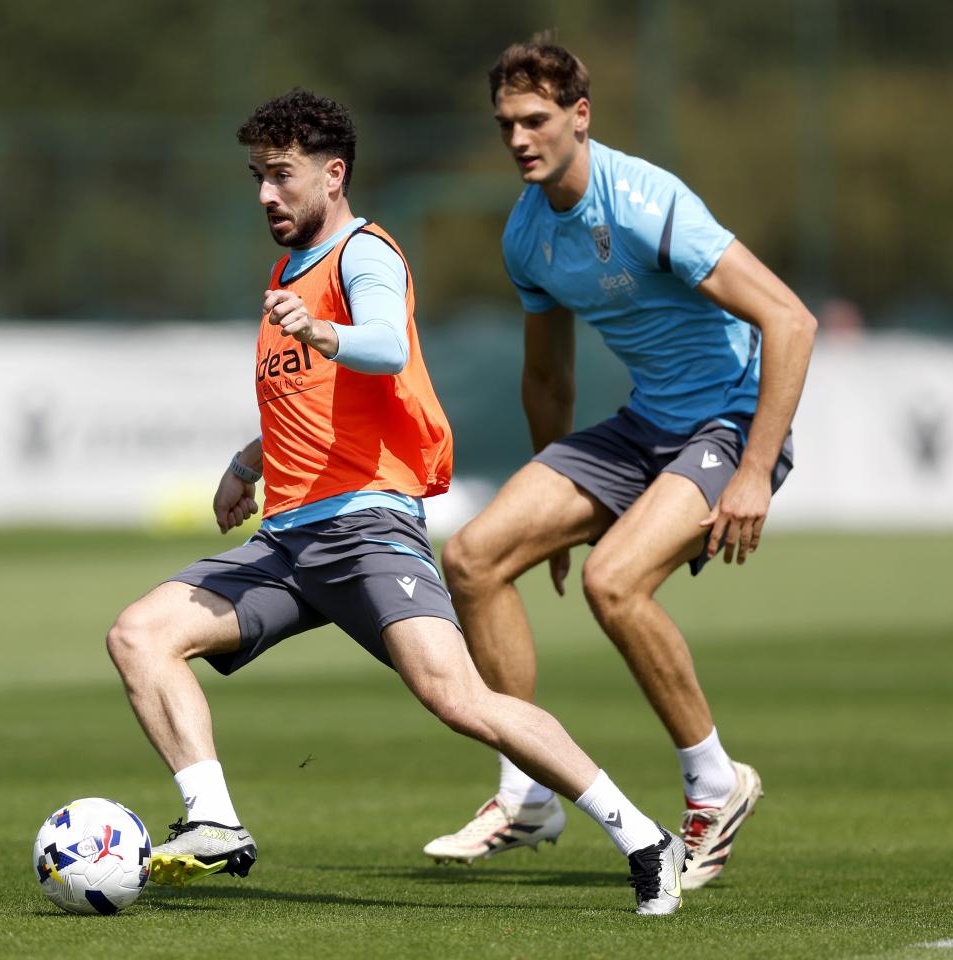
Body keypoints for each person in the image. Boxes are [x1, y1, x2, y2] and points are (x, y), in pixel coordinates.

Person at [106, 88, 692, 915]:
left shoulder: (363, 255)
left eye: (281, 175)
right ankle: (214, 822)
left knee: (461, 700)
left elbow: (381, 346)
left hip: (364, 527)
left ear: (332, 173)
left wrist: (322, 332)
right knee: (140, 634)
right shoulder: (287, 271)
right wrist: (248, 461)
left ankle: (643, 837)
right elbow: (312, 403)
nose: (266, 194)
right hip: (288, 543)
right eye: (256, 177)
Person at [421, 38, 816, 890]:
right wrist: (550, 507)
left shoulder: (643, 202)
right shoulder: (527, 234)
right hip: (644, 425)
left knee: (614, 583)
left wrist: (751, 473)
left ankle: (716, 788)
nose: (520, 139)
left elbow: (790, 320)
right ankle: (526, 791)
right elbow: (548, 376)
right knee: (475, 557)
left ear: (579, 116)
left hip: (728, 422)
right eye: (506, 126)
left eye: (536, 120)